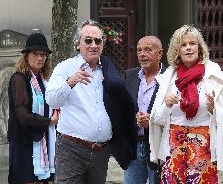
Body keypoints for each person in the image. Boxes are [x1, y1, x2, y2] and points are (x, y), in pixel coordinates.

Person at [149, 25, 223, 184]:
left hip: (204, 147)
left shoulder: (215, 76)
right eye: (183, 44)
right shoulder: (168, 78)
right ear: (177, 50)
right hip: (173, 148)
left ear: (200, 48)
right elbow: (156, 120)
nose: (188, 48)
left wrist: (213, 110)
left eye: (192, 43)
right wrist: (166, 105)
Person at [45, 19, 137, 184]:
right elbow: (51, 100)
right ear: (78, 44)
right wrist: (70, 82)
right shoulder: (65, 67)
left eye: (98, 41)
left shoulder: (108, 69)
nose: (93, 45)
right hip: (71, 148)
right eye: (88, 40)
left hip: (101, 150)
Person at [8, 32, 59, 184]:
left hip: (42, 139)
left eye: (43, 54)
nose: (40, 58)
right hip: (24, 143)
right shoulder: (19, 78)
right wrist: (49, 121)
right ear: (26, 55)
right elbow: (22, 115)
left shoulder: (43, 81)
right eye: (35, 53)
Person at [123, 36, 166, 184]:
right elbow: (122, 109)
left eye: (148, 49)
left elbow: (176, 113)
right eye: (139, 50)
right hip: (134, 146)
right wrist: (132, 118)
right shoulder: (129, 76)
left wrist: (153, 120)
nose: (142, 54)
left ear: (159, 54)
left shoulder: (170, 78)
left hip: (159, 146)